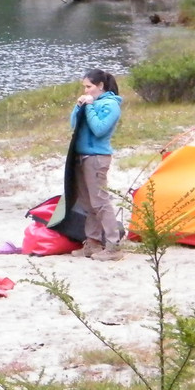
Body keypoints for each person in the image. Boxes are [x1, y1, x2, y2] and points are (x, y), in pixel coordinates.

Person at [67, 69, 124, 261]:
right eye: (84, 87)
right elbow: (74, 124)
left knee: (100, 201)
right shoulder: (91, 102)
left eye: (89, 86)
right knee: (87, 203)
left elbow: (99, 129)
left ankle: (113, 245)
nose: (86, 90)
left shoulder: (111, 105)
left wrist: (90, 107)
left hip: (96, 157)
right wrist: (78, 107)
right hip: (81, 155)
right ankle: (92, 242)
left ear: (100, 86)